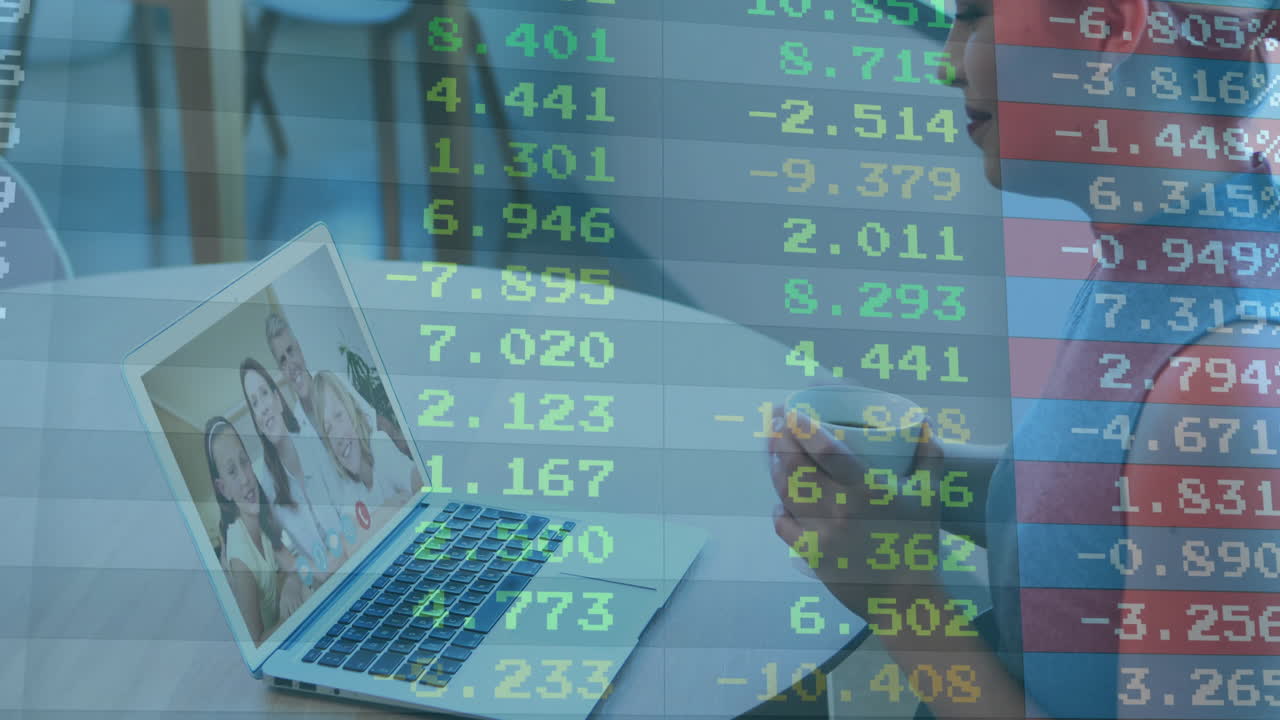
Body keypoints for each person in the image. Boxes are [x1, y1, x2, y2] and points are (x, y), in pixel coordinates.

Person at [768, 1, 1278, 718]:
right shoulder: (1176, 243)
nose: (948, 64)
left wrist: (903, 603)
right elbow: (1092, 518)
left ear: (1106, 27)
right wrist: (914, 479)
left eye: (974, 15)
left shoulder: (1218, 389)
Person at [240, 357, 352, 596]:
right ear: (257, 422)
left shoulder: (313, 442)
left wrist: (343, 553)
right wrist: (297, 578)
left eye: (264, 394)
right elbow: (281, 550)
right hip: (325, 590)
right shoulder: (266, 485)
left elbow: (348, 503)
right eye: (254, 403)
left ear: (278, 400)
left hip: (357, 557)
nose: (263, 407)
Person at [264, 311, 411, 457]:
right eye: (283, 360)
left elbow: (376, 423)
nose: (290, 364)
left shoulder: (332, 381)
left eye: (291, 351)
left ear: (300, 350)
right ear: (281, 371)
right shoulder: (297, 427)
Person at [204, 416, 289, 644]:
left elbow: (291, 565)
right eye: (232, 471)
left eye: (244, 461)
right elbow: (257, 644)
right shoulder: (239, 559)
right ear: (223, 489)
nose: (244, 479)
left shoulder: (261, 518)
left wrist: (290, 584)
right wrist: (293, 617)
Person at [315, 370, 422, 536]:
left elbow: (419, 482)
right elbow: (349, 543)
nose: (337, 437)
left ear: (353, 412)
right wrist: (389, 509)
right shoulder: (352, 490)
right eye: (328, 429)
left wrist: (371, 525)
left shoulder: (379, 446)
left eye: (338, 416)